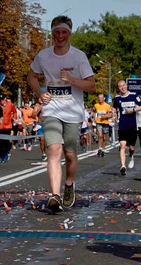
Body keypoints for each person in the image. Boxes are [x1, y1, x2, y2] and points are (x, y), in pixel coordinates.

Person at [27, 15, 96, 214]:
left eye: (64, 32)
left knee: (70, 154)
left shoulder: (78, 57)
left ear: (69, 34)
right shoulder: (43, 55)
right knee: (54, 150)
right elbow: (31, 76)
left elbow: (91, 86)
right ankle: (54, 196)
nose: (60, 36)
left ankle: (69, 184)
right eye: (57, 32)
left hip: (73, 112)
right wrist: (40, 93)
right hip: (51, 110)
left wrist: (73, 80)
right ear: (52, 33)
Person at [113, 80, 141, 174]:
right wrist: (113, 114)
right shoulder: (117, 98)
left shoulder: (134, 95)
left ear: (126, 85)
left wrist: (133, 110)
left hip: (132, 126)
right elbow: (114, 108)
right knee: (122, 146)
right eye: (120, 86)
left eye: (123, 85)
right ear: (118, 88)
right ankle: (123, 166)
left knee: (131, 148)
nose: (122, 87)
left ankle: (131, 156)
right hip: (122, 126)